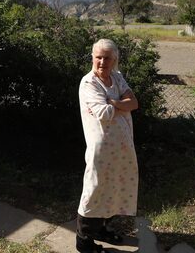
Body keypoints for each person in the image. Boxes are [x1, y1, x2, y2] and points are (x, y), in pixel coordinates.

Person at [76, 39, 139, 253]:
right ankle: (84, 242)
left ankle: (101, 229)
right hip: (101, 149)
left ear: (114, 60)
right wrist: (121, 104)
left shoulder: (116, 77)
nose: (102, 62)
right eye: (98, 57)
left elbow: (134, 103)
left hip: (122, 146)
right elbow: (103, 113)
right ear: (92, 58)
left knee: (114, 188)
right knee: (95, 190)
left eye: (107, 58)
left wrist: (111, 102)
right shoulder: (89, 83)